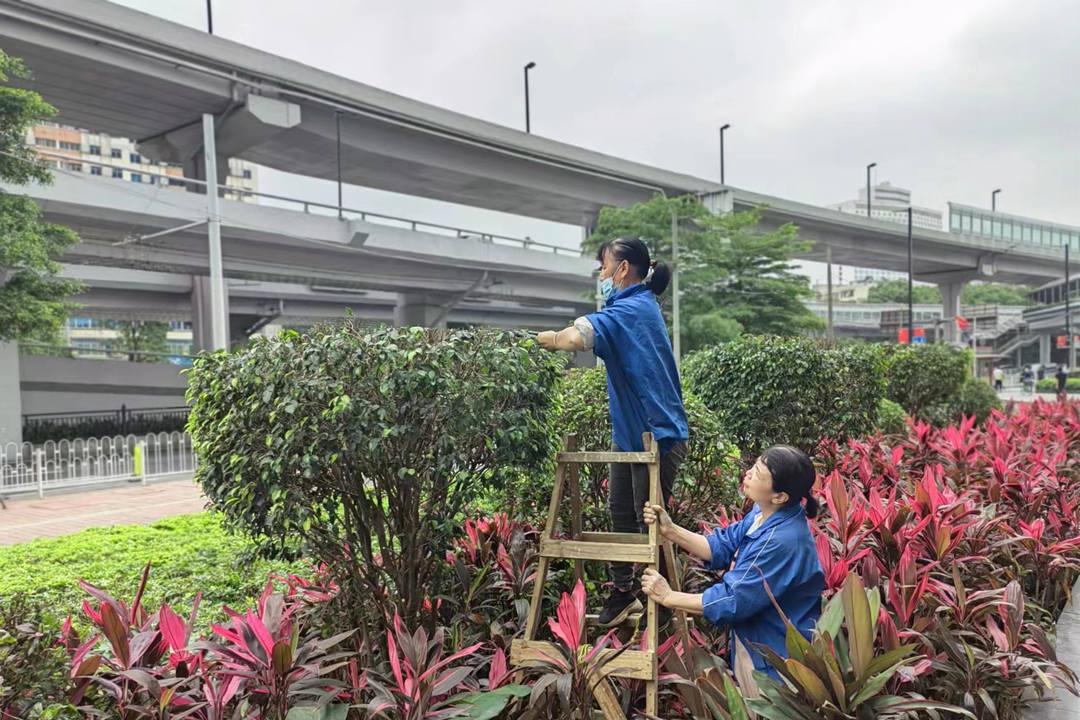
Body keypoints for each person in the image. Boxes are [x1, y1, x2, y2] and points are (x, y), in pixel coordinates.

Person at [535, 236, 689, 629]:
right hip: (631, 435)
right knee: (620, 511)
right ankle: (623, 593)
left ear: (622, 270)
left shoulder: (632, 309)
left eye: (604, 267)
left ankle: (667, 608)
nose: (601, 274)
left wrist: (544, 340)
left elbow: (575, 337)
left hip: (656, 435)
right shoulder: (633, 307)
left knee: (648, 523)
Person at [640, 445, 824, 697]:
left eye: (758, 473)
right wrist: (671, 530)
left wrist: (668, 597)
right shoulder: (764, 513)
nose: (748, 473)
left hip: (777, 660)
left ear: (780, 495)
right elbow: (722, 545)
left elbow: (733, 599)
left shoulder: (781, 541)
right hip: (754, 644)